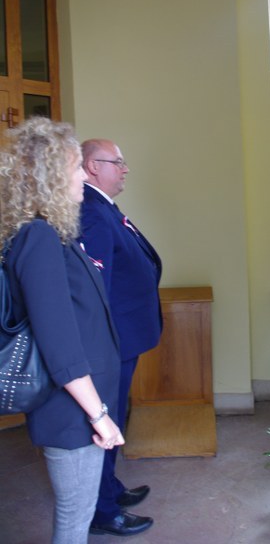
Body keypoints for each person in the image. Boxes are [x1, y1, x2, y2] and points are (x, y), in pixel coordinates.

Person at [0, 117, 127, 544]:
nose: (83, 177)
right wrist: (99, 416)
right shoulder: (37, 237)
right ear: (51, 176)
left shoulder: (51, 233)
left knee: (80, 510)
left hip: (81, 403)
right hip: (71, 410)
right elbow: (59, 343)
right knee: (75, 517)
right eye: (75, 168)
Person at [80, 138, 162, 537]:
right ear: (94, 166)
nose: (125, 168)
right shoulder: (90, 212)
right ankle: (102, 510)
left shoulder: (103, 207)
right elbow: (96, 290)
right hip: (112, 343)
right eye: (118, 161)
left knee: (114, 413)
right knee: (105, 420)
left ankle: (109, 488)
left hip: (124, 339)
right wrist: (103, 347)